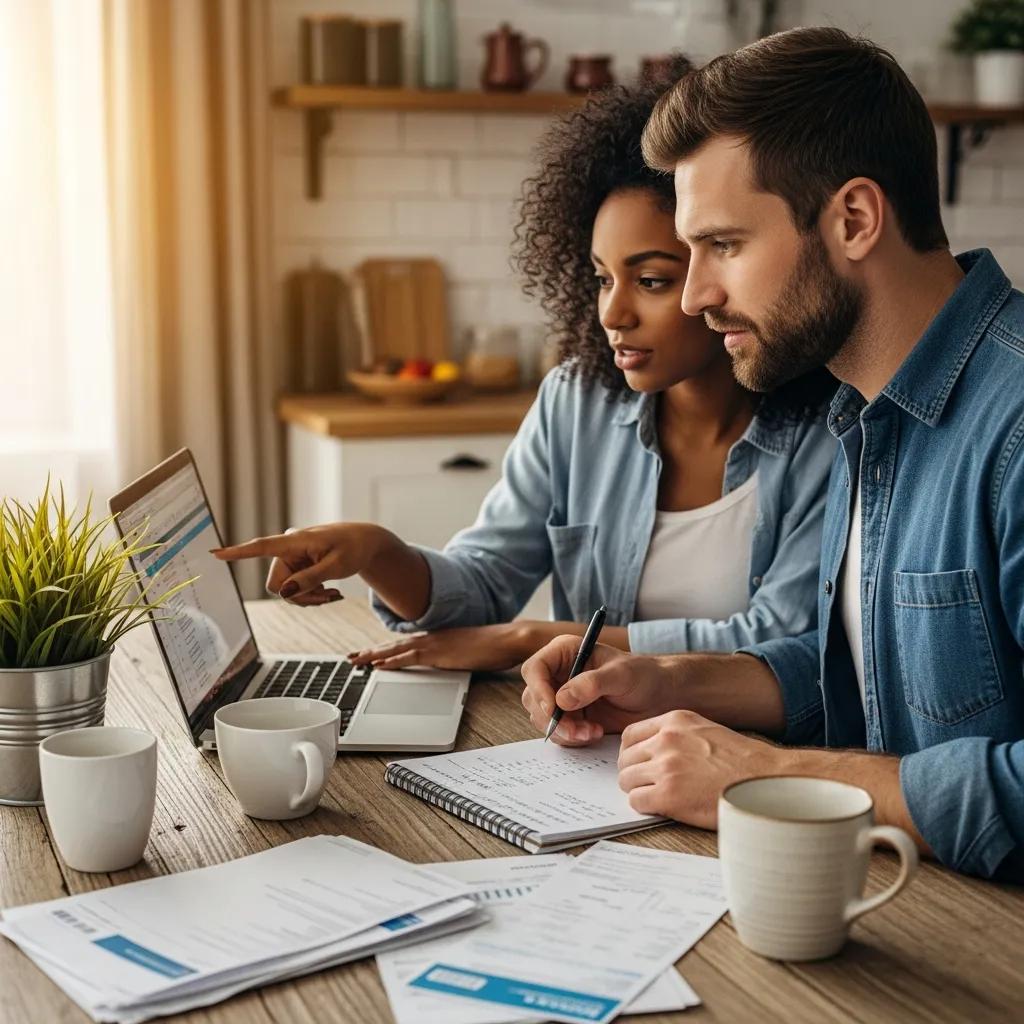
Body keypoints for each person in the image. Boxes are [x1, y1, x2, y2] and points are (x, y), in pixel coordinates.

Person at [520, 26, 1024, 882]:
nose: (696, 294)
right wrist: (663, 679)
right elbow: (872, 678)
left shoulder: (1011, 428)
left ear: (855, 219)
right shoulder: (862, 411)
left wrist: (766, 774)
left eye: (724, 245)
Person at [214, 58, 835, 672]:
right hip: (586, 742)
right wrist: (377, 551)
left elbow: (778, 639)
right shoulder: (577, 404)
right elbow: (482, 588)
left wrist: (529, 640)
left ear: (720, 267)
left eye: (650, 280)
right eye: (600, 278)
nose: (612, 313)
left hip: (741, 753)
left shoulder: (827, 431)